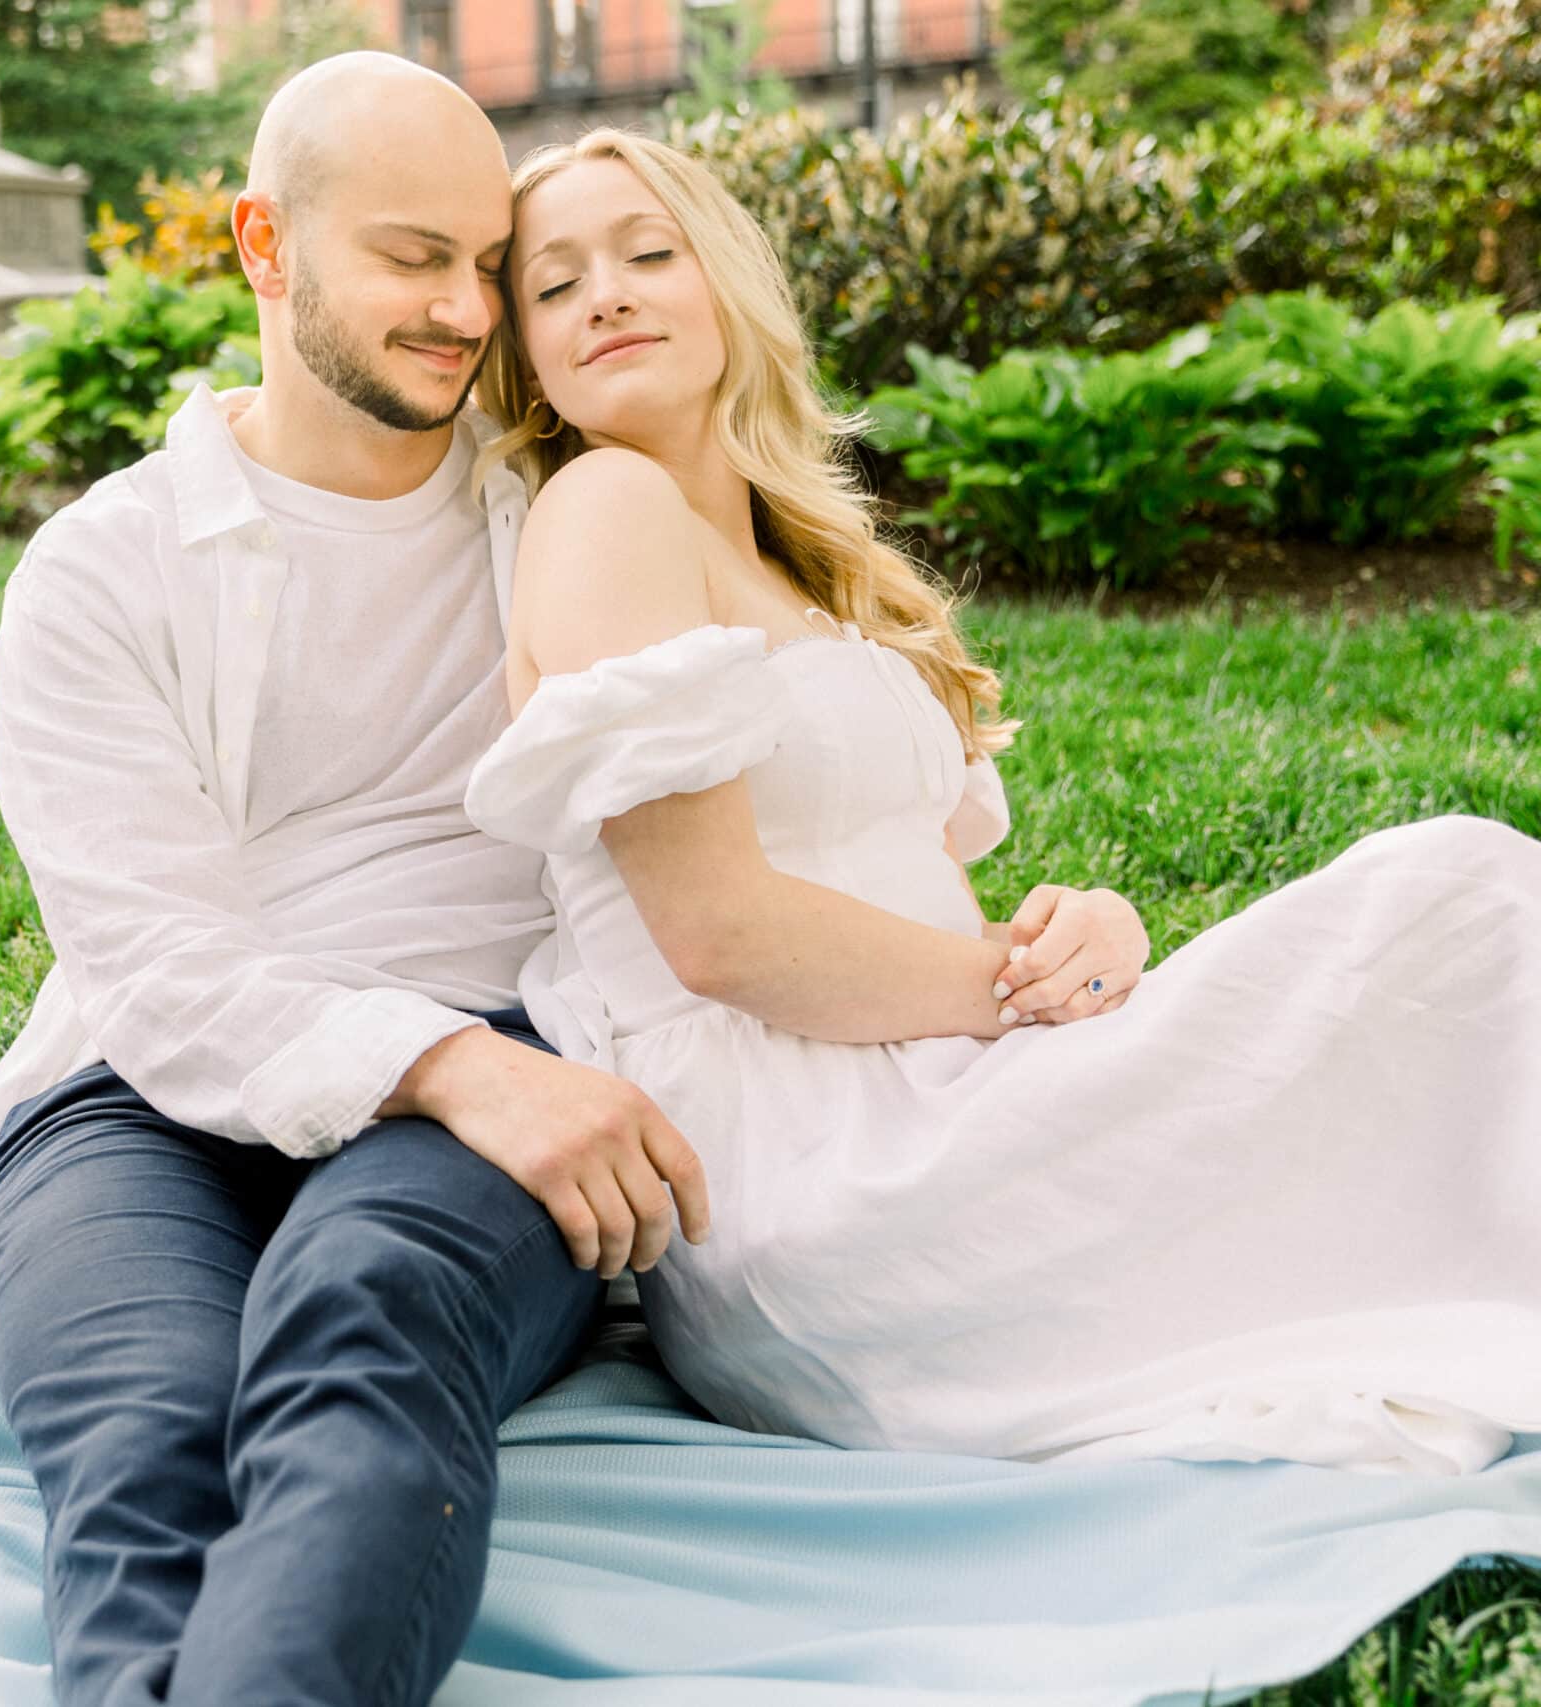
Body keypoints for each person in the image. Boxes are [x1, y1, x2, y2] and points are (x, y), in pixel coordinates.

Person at [461, 126, 1541, 1478]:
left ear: (726, 285)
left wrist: (1074, 939)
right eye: (554, 286)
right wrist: (1028, 997)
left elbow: (911, 891)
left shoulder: (812, 569)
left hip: (940, 1081)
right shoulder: (605, 506)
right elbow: (721, 935)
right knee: (1451, 896)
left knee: (1441, 938)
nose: (604, 294)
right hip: (810, 1183)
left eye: (646, 252)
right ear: (531, 359)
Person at [0, 57, 713, 1707]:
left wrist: (1032, 922)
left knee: (365, 1330)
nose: (466, 306)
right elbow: (150, 964)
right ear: (264, 245)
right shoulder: (103, 571)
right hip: (141, 1095)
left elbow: (812, 723)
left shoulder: (565, 518)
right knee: (147, 1431)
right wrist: (455, 1069)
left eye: (489, 262)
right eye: (412, 256)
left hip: (493, 1081)